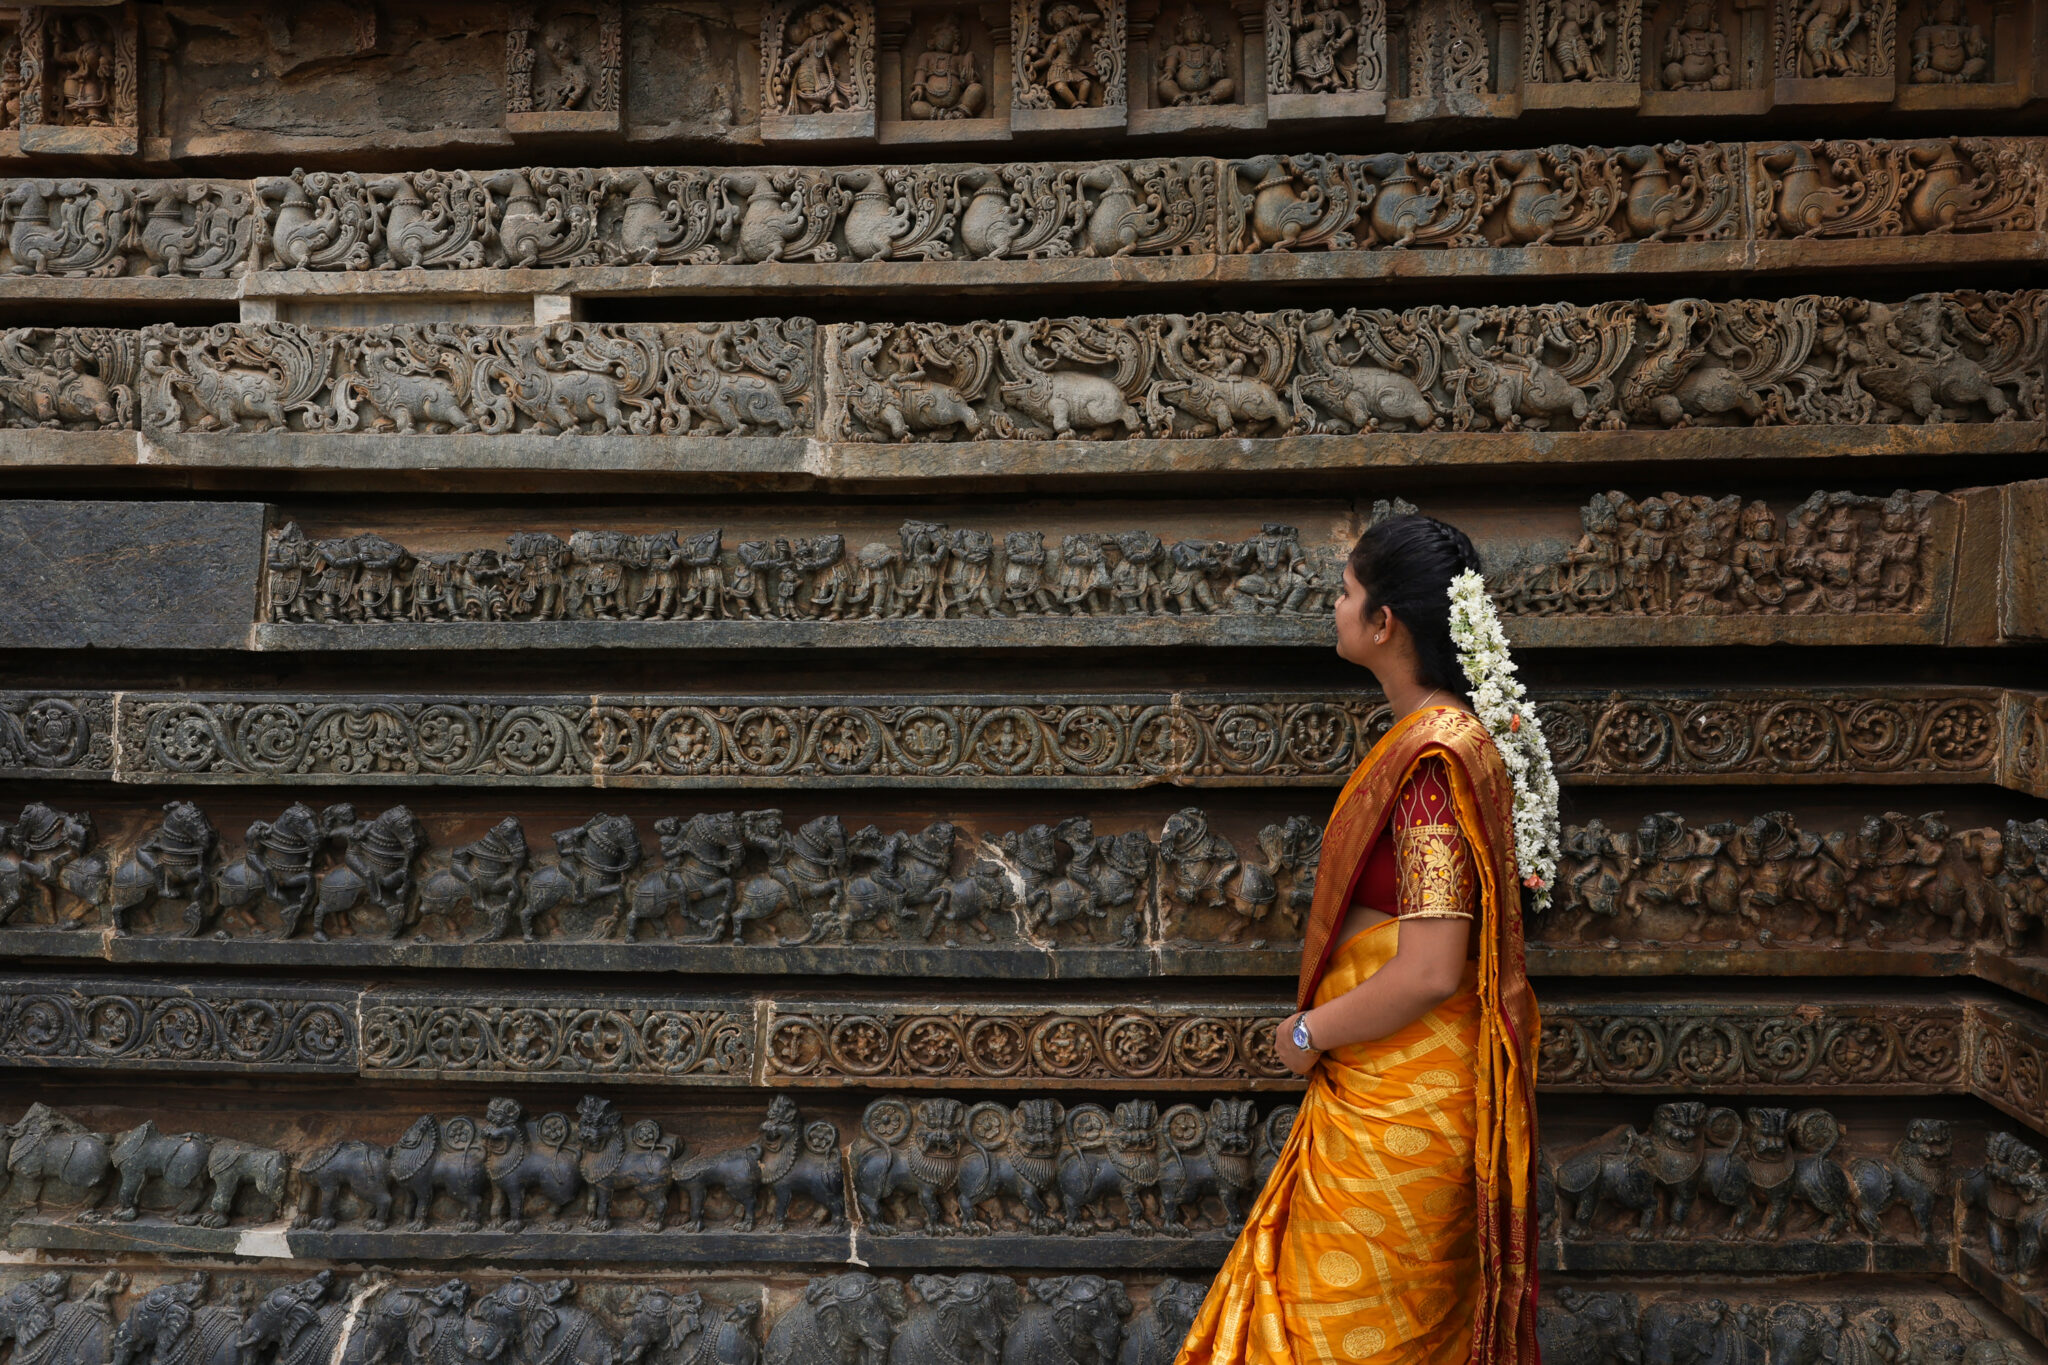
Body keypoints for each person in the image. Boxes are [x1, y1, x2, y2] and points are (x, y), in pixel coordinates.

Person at [1176, 514, 1550, 1365]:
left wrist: (1306, 1034)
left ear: (1384, 624)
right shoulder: (1446, 745)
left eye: (1345, 591)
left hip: (1403, 1108)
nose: (1334, 604)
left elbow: (1427, 969)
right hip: (1395, 1091)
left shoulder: (1431, 768)